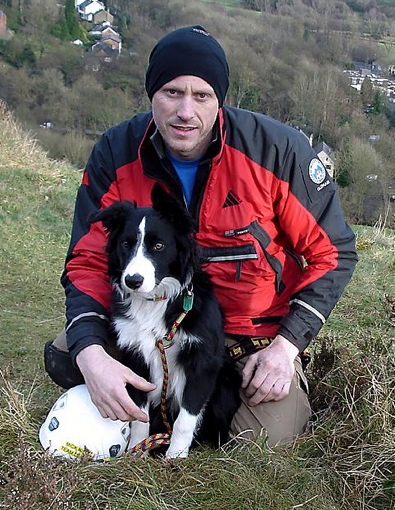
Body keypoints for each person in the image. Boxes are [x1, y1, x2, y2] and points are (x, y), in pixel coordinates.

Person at [44, 25, 358, 448]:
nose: (185, 111)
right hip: (142, 314)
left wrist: (286, 347)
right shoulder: (116, 151)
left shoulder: (279, 152)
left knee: (263, 438)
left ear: (220, 99)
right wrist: (90, 353)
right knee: (70, 355)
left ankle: (195, 404)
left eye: (202, 95)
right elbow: (86, 261)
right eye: (172, 92)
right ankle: (131, 402)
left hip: (248, 336)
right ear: (151, 92)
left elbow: (333, 253)